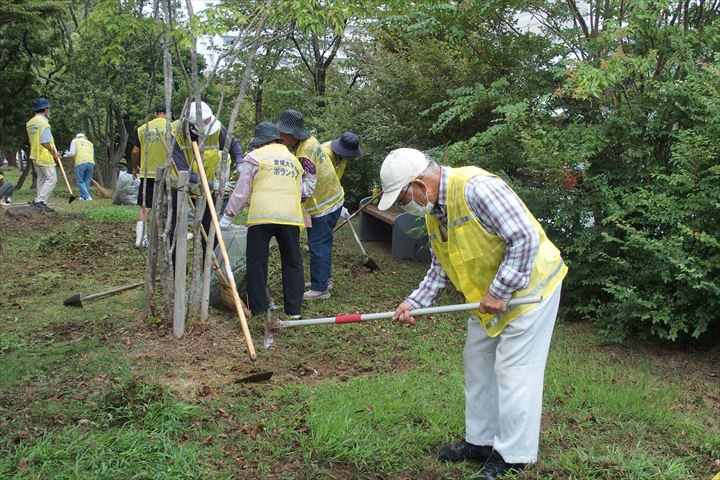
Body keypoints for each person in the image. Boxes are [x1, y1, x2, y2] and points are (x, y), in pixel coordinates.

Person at [379, 148, 567, 480]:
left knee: (514, 368)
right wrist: (414, 303)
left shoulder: (477, 188)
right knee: (476, 358)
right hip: (487, 298)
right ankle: (479, 442)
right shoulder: (434, 213)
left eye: (403, 196)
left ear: (421, 184)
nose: (403, 205)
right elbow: (440, 269)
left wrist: (501, 290)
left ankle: (512, 455)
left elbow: (523, 238)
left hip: (530, 290)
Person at [220, 121, 316, 322]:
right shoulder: (294, 160)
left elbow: (242, 191)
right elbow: (299, 191)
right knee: (292, 262)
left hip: (262, 216)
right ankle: (294, 310)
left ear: (261, 142)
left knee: (257, 262)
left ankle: (260, 310)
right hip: (290, 216)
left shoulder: (255, 157)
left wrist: (228, 217)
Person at [276, 109, 342, 300]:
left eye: (282, 134)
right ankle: (322, 279)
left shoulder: (304, 153)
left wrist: (288, 199)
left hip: (323, 204)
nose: (280, 137)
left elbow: (308, 187)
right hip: (331, 198)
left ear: (292, 134)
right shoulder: (309, 141)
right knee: (323, 243)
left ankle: (320, 289)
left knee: (318, 246)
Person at [169, 101, 243, 256]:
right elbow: (182, 170)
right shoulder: (174, 133)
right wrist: (213, 184)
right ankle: (177, 269)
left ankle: (209, 270)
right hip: (181, 188)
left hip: (207, 190)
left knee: (210, 229)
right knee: (177, 230)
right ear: (191, 126)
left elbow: (233, 144)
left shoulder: (215, 128)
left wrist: (241, 162)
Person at [131, 103, 168, 247]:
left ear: (155, 114)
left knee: (144, 206)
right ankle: (164, 238)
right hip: (166, 173)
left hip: (147, 174)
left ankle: (140, 239)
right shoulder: (171, 128)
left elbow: (135, 151)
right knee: (165, 206)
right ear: (167, 113)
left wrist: (135, 167)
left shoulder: (142, 128)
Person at [25, 97, 61, 213]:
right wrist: (53, 152)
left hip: (34, 155)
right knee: (52, 178)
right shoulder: (44, 123)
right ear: (45, 109)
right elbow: (45, 141)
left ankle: (40, 203)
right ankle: (40, 201)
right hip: (44, 155)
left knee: (41, 179)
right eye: (48, 109)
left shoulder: (30, 123)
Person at [67, 133, 95, 201]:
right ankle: (83, 197)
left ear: (77, 137)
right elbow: (92, 154)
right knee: (86, 181)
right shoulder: (90, 143)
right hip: (91, 163)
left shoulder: (75, 141)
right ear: (84, 137)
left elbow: (72, 153)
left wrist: (67, 154)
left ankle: (87, 196)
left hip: (81, 162)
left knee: (80, 181)